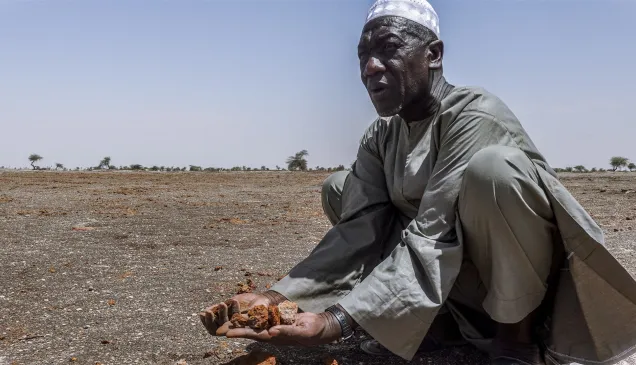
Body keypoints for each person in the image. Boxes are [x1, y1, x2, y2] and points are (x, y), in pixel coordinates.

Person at [200, 1, 636, 364]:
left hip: (513, 289)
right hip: (453, 283)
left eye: (388, 48)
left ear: (433, 54)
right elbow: (358, 229)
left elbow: (433, 232)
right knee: (340, 186)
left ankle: (515, 342)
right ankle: (433, 326)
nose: (371, 67)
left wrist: (337, 320)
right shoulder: (381, 133)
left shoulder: (473, 114)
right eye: (362, 56)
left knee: (495, 172)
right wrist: (275, 298)